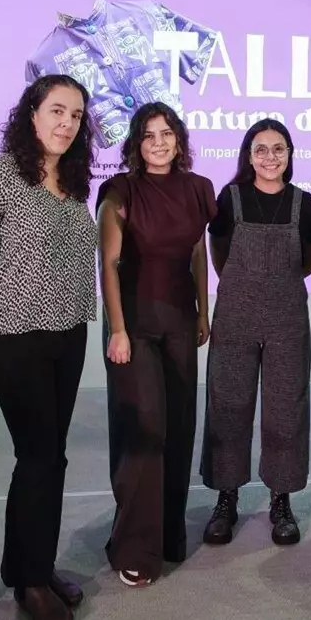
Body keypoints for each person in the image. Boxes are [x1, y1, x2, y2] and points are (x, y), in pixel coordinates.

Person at [0, 74, 96, 620]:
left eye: (76, 115)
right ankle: (30, 583)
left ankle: (34, 565)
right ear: (32, 113)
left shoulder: (74, 183)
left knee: (50, 457)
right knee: (38, 456)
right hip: (14, 337)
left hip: (68, 335)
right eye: (57, 110)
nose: (67, 123)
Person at [96, 102, 216, 587]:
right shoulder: (120, 190)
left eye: (167, 133)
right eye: (149, 135)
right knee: (143, 432)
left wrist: (203, 311)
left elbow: (197, 251)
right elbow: (108, 263)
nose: (159, 143)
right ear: (136, 143)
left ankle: (167, 536)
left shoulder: (199, 188)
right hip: (134, 325)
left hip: (180, 321)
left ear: (179, 139)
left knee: (179, 428)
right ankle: (134, 547)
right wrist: (117, 329)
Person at [199, 119, 311, 547]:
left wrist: (274, 286)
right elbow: (219, 255)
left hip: (287, 319)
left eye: (278, 149)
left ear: (289, 155)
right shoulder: (229, 199)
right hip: (235, 317)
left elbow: (309, 261)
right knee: (228, 405)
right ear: (248, 156)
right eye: (261, 149)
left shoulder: (305, 204)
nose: (270, 157)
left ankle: (281, 499)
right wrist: (247, 286)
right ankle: (226, 497)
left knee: (286, 409)